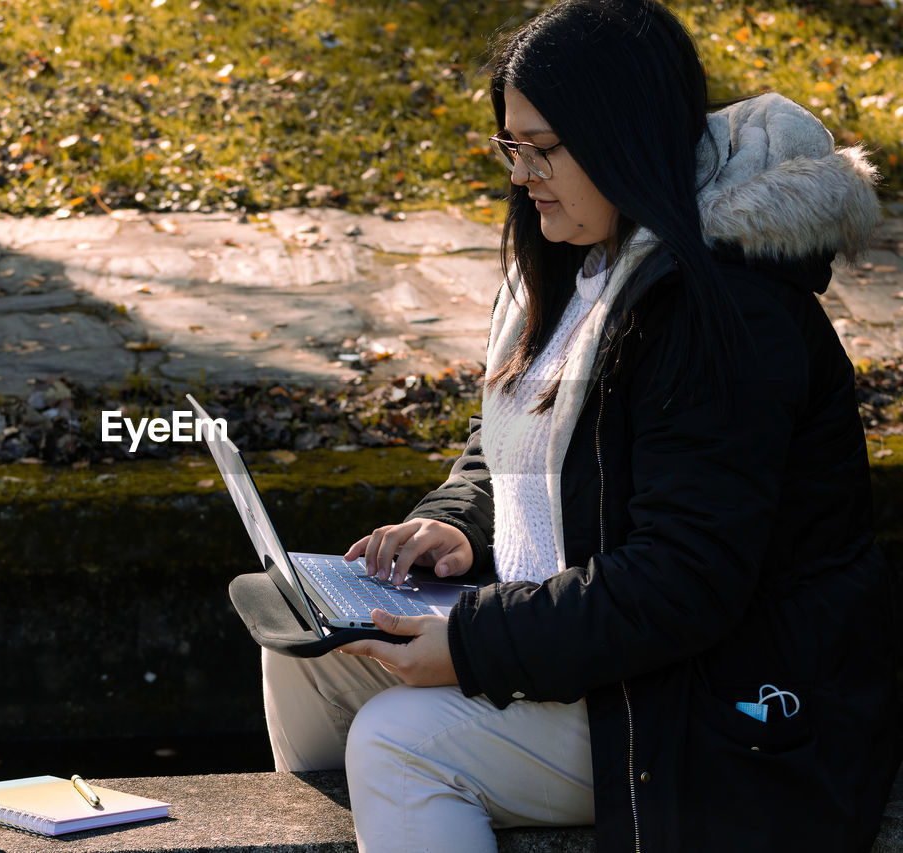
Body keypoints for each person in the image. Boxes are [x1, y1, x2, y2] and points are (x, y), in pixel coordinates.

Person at [260, 1, 900, 851]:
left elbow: (682, 582)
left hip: (714, 696)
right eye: (510, 145)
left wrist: (476, 644)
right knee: (306, 654)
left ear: (624, 135)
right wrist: (454, 524)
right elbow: (524, 447)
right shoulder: (577, 265)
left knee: (397, 742)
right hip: (587, 646)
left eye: (543, 148)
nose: (521, 173)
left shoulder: (725, 311)